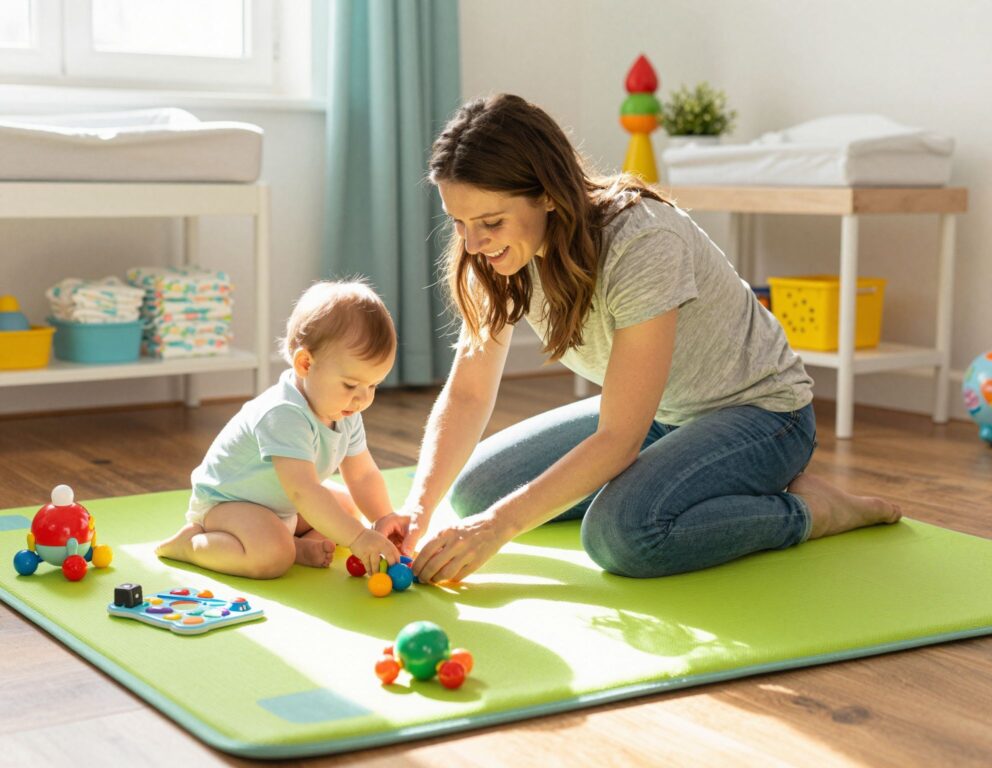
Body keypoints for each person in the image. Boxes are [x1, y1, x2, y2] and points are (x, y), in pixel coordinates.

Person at [400, 93, 901, 585]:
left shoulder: (641, 241)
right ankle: (673, 480)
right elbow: (468, 392)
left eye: (489, 222)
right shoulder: (493, 256)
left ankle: (810, 511)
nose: (471, 243)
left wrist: (497, 529)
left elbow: (618, 439)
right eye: (458, 222)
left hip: (764, 415)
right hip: (662, 414)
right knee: (475, 493)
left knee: (620, 535)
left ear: (548, 193)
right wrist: (417, 510)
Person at [156, 280, 404, 579]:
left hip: (281, 504)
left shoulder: (346, 410)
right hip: (230, 505)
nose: (363, 398)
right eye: (351, 384)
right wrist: (358, 538)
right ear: (305, 364)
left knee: (348, 510)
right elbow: (304, 490)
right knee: (273, 557)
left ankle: (296, 547)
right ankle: (191, 545)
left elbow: (362, 474)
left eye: (373, 385)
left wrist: (383, 519)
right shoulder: (284, 413)